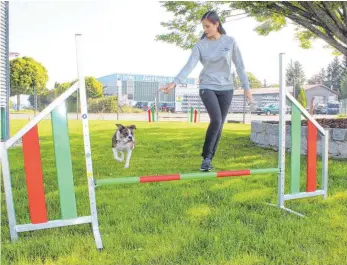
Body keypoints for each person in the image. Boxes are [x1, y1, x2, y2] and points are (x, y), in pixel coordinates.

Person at [160, 10, 253, 171]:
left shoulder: (230, 41)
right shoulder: (200, 45)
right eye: (203, 27)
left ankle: (208, 160)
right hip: (207, 86)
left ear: (217, 24)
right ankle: (206, 157)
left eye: (208, 26)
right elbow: (189, 65)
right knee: (216, 120)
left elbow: (240, 66)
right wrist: (174, 83)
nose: (205, 30)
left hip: (227, 88)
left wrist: (247, 88)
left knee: (219, 125)